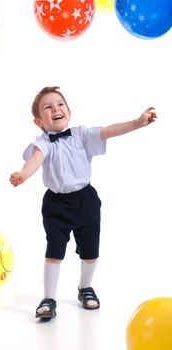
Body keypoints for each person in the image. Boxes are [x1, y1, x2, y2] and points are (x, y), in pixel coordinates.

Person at [9, 86, 157, 320]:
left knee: (90, 251)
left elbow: (109, 131)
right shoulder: (44, 143)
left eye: (59, 104)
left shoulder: (80, 134)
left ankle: (85, 287)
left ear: (69, 110)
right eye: (47, 107)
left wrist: (138, 123)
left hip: (85, 200)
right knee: (54, 251)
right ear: (39, 121)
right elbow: (35, 160)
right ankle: (49, 298)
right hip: (55, 204)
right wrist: (22, 175)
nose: (55, 108)